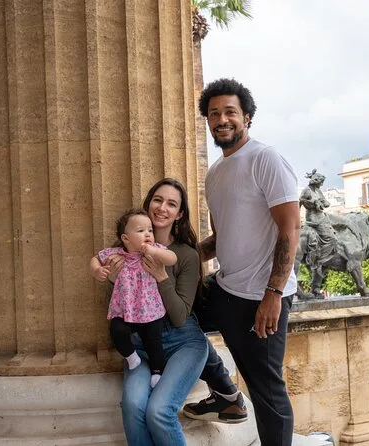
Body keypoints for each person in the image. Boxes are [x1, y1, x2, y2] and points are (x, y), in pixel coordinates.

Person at [183, 78, 300, 446]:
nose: (222, 119)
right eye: (214, 113)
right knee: (168, 316)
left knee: (267, 391)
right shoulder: (215, 173)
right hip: (226, 288)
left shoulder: (266, 158)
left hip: (260, 297)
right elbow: (223, 238)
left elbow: (290, 228)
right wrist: (176, 258)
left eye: (230, 112)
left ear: (246, 117)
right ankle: (225, 394)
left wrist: (273, 294)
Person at [99, 178, 245, 446]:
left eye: (171, 204)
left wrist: (161, 276)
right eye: (157, 200)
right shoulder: (126, 248)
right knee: (133, 406)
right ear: (148, 204)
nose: (162, 208)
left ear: (179, 214)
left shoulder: (185, 254)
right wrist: (112, 278)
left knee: (159, 411)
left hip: (183, 342)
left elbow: (179, 317)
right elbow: (121, 305)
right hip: (141, 345)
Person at [90, 209, 177, 388]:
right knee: (116, 330)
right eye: (140, 230)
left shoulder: (154, 251)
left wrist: (154, 251)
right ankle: (131, 356)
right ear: (126, 238)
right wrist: (97, 270)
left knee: (154, 343)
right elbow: (95, 258)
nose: (148, 234)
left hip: (150, 310)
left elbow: (172, 258)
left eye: (150, 230)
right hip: (125, 310)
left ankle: (157, 371)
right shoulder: (117, 254)